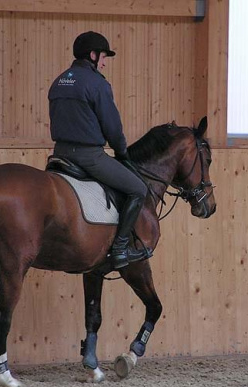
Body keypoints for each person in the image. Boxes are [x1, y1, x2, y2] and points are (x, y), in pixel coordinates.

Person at [48, 31, 149, 269]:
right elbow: (112, 126)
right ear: (93, 55)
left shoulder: (59, 81)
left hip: (59, 154)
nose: (104, 63)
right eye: (103, 57)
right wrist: (122, 152)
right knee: (138, 188)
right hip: (88, 157)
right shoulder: (97, 84)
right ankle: (121, 249)